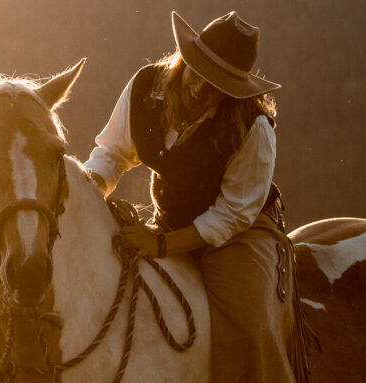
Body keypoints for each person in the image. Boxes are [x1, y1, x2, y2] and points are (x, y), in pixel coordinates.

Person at [84, 11, 309, 383]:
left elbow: (232, 215)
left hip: (242, 231)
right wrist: (88, 188)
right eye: (198, 72)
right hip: (173, 219)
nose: (201, 88)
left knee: (248, 323)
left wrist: (161, 244)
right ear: (184, 60)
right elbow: (113, 153)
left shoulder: (252, 127)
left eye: (217, 84)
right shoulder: (144, 88)